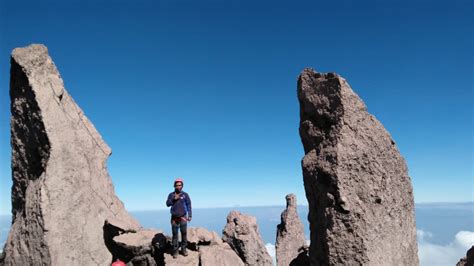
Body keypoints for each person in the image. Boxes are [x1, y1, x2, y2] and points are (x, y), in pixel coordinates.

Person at [166, 177, 192, 258]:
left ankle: (184, 249)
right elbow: (167, 204)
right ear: (174, 186)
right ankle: (175, 251)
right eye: (177, 185)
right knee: (175, 235)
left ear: (182, 186)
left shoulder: (185, 195)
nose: (178, 187)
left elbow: (189, 205)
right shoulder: (171, 195)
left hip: (183, 217)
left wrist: (190, 215)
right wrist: (173, 199)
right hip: (174, 218)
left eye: (180, 185)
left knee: (184, 234)